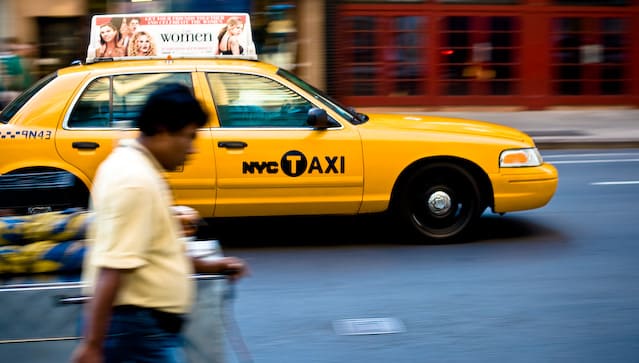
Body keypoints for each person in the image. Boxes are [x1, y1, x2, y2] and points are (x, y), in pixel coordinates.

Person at [71, 83, 249, 363]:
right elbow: (113, 265)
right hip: (135, 330)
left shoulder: (135, 166)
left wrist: (208, 265)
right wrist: (92, 345)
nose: (192, 150)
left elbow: (153, 246)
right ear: (162, 130)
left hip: (140, 329)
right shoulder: (134, 181)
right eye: (189, 137)